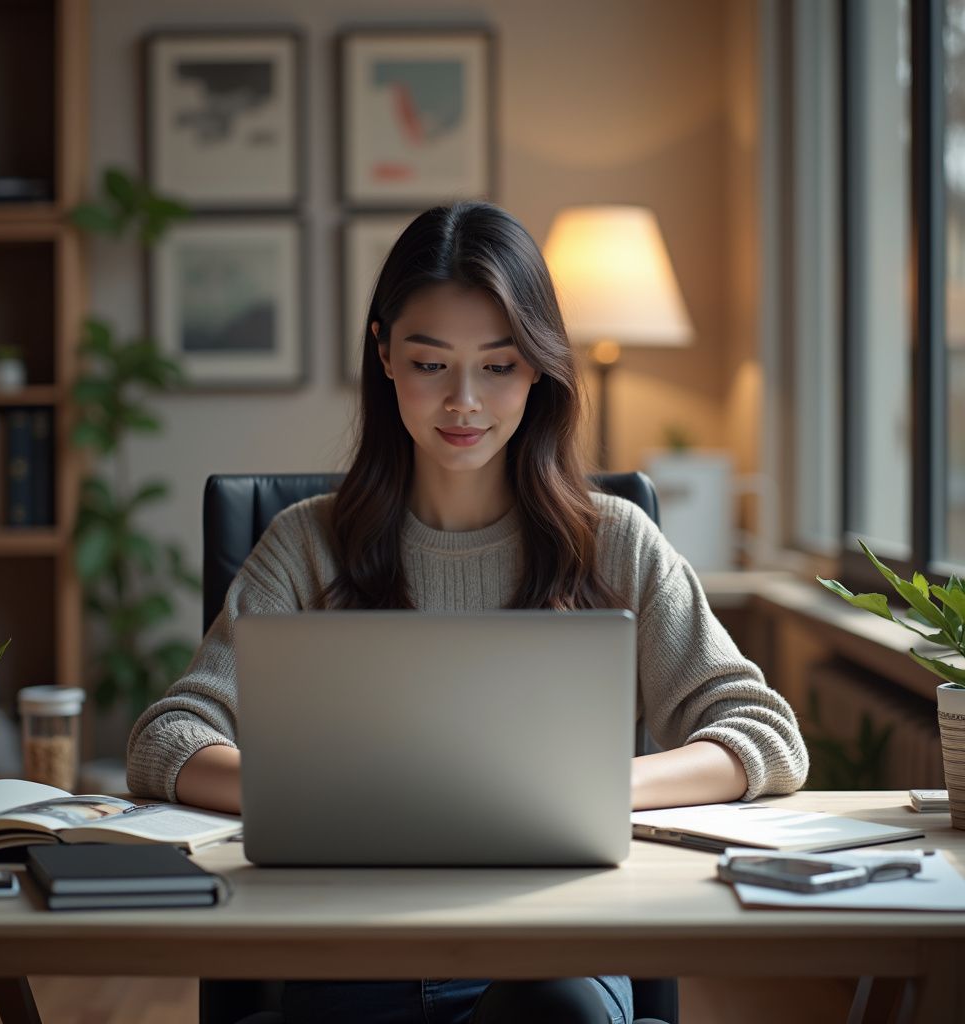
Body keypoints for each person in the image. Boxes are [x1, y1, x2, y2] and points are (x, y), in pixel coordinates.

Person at [127, 201, 809, 1024]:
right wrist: (319, 799)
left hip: (551, 960)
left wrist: (587, 795)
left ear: (539, 369)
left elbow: (765, 738)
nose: (463, 402)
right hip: (353, 956)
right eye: (429, 364)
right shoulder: (306, 544)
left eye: (498, 366)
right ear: (383, 353)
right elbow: (167, 741)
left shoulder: (613, 541)